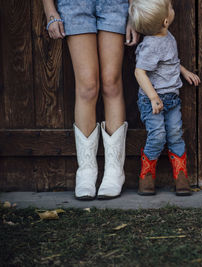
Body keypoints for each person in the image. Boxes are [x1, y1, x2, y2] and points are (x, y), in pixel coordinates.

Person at [42, 0, 139, 200]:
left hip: (115, 4)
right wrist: (49, 8)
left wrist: (133, 12)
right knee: (87, 87)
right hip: (75, 4)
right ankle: (86, 171)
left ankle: (114, 171)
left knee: (111, 83)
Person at [129, 0, 200, 196]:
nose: (172, 7)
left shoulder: (168, 37)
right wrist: (153, 97)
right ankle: (146, 176)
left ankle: (181, 176)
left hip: (172, 99)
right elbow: (139, 72)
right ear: (166, 21)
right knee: (158, 136)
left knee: (175, 135)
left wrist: (183, 71)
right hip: (153, 101)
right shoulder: (151, 45)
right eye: (170, 6)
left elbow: (170, 62)